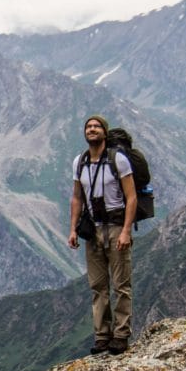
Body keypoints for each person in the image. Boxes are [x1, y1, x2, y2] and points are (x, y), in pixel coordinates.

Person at [67, 114, 137, 355]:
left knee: (121, 285)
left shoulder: (118, 160)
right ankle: (102, 336)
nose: (92, 129)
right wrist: (73, 229)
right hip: (93, 229)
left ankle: (121, 334)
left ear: (105, 133)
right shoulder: (80, 162)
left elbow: (131, 197)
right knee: (98, 286)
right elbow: (76, 198)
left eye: (97, 127)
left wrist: (126, 230)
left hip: (116, 226)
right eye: (88, 126)